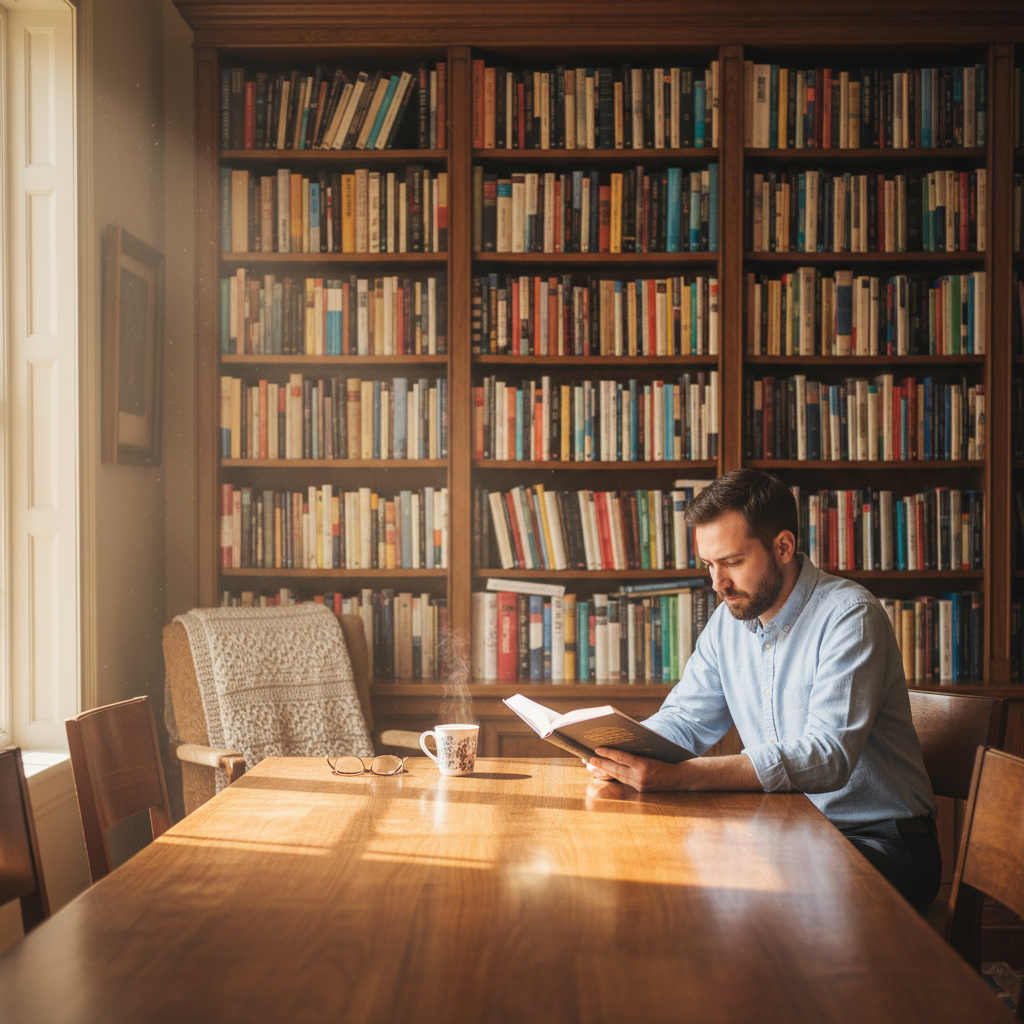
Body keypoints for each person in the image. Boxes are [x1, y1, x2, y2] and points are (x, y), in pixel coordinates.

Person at [587, 469, 941, 913]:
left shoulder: (850, 616)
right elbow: (687, 719)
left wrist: (685, 776)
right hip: (790, 829)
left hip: (881, 840)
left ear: (783, 547)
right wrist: (622, 748)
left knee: (734, 897)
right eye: (708, 565)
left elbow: (828, 756)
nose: (717, 583)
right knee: (671, 876)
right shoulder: (727, 622)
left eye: (732, 562)